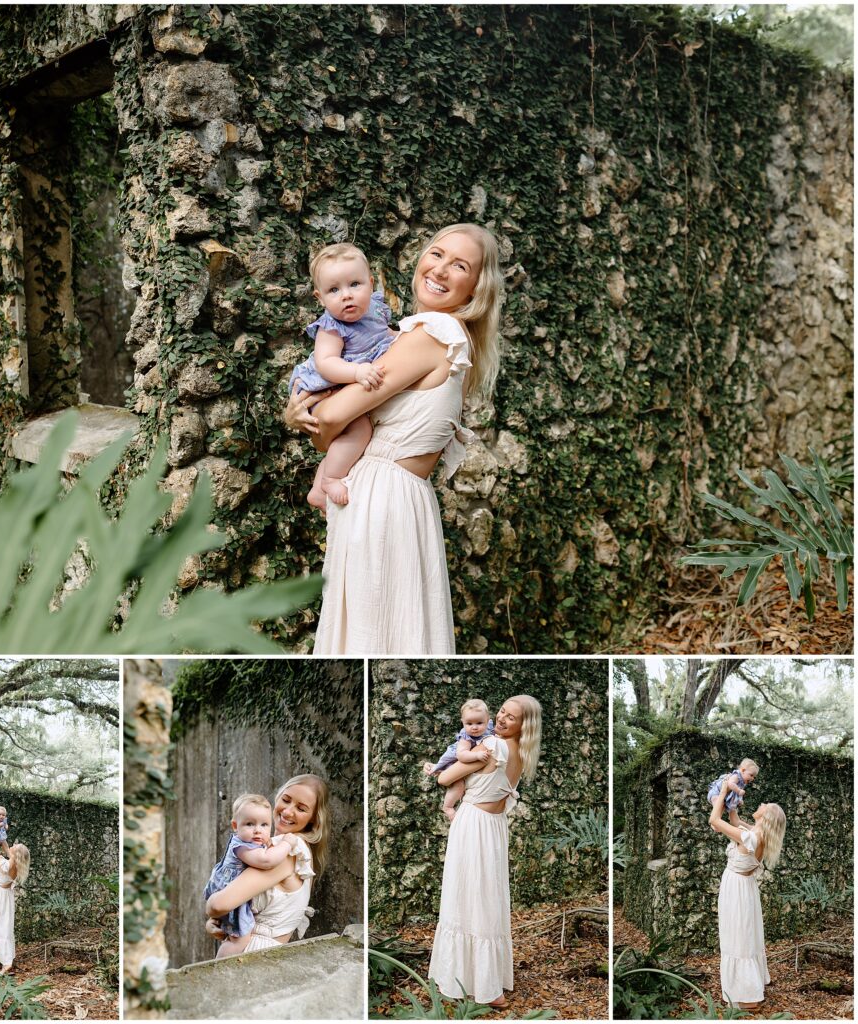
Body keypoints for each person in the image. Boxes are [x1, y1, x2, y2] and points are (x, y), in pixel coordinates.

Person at [286, 223, 504, 657]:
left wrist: (301, 414)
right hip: (400, 496)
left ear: (476, 286)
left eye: (459, 265)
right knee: (394, 625)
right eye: (437, 254)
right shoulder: (437, 338)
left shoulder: (432, 335)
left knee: (372, 628)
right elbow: (331, 431)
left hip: (381, 498)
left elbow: (330, 417)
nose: (440, 269)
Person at [428, 695, 542, 1008]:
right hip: (488, 825)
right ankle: (484, 982)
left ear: (523, 725)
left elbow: (444, 777)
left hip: (478, 823)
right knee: (481, 895)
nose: (502, 719)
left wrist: (464, 762)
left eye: (511, 717)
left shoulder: (494, 746)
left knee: (474, 895)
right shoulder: (523, 752)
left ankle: (476, 981)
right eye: (502, 712)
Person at [288, 243, 394, 509]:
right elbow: (326, 364)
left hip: (342, 384)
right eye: (334, 290)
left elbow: (384, 335)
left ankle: (317, 488)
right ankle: (330, 479)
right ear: (320, 298)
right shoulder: (331, 328)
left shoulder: (376, 309)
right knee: (359, 429)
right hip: (320, 388)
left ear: (371, 284)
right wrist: (357, 371)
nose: (346, 295)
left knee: (353, 436)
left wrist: (400, 337)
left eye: (355, 284)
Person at [204, 775, 329, 954]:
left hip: (253, 953)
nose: (287, 812)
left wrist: (212, 909)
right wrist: (218, 922)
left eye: (301, 809)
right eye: (286, 800)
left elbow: (218, 904)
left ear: (313, 820)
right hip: (252, 951)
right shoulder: (268, 846)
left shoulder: (288, 851)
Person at [709, 776, 786, 1010]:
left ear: (766, 816)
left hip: (736, 889)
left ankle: (746, 996)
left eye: (765, 806)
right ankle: (749, 987)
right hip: (745, 888)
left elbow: (714, 819)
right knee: (745, 935)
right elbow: (733, 819)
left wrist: (722, 791)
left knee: (737, 937)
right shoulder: (756, 833)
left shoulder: (749, 837)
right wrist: (732, 805)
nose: (761, 804)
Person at [203, 793, 302, 957]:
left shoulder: (254, 842)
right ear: (235, 826)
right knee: (240, 939)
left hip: (229, 893)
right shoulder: (242, 846)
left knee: (231, 933)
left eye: (264, 825)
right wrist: (286, 843)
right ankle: (218, 966)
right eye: (249, 824)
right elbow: (266, 861)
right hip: (228, 891)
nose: (257, 830)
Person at [423, 698, 495, 821]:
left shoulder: (490, 731)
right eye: (469, 723)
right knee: (458, 785)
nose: (474, 727)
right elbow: (461, 755)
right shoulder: (466, 737)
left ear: (488, 721)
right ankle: (448, 807)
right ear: (462, 722)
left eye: (479, 723)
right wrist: (477, 756)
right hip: (456, 761)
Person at [0, 821, 31, 975]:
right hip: (6, 896)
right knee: (5, 927)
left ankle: (7, 963)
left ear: (15, 854)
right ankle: (5, 959)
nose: (12, 845)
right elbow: (5, 845)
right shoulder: (15, 864)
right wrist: (1, 832)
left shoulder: (5, 864)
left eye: (14, 847)